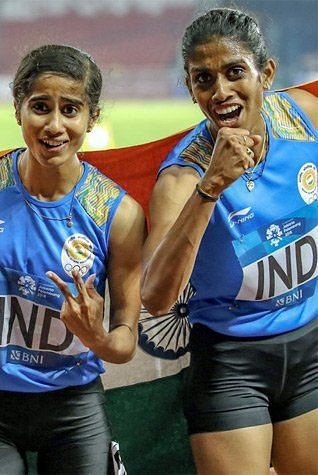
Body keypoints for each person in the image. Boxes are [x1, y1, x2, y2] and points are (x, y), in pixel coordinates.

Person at [0, 44, 145, 474]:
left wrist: (98, 338)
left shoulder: (119, 215)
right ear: (18, 109)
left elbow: (125, 341)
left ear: (92, 118)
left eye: (71, 109)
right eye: (40, 107)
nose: (55, 125)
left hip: (74, 409)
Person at [142, 8, 318, 474]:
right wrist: (212, 187)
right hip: (232, 363)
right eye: (204, 79)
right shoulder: (182, 178)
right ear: (190, 87)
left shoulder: (306, 118)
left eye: (234, 72)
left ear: (267, 73)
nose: (220, 92)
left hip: (311, 346)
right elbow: (156, 297)